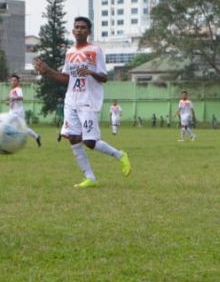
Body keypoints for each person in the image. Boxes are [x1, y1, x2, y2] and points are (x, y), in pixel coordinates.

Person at [34, 16, 131, 188]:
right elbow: (66, 79)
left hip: (88, 101)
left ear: (89, 32)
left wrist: (90, 72)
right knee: (73, 138)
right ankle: (90, 177)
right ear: (72, 31)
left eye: (83, 27)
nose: (79, 30)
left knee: (90, 142)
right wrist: (47, 71)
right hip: (71, 100)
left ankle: (120, 155)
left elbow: (104, 77)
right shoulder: (70, 53)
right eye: (77, 27)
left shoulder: (95, 50)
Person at [8, 74, 41, 146]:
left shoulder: (18, 89)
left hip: (17, 112)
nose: (13, 82)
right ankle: (36, 136)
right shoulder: (12, 90)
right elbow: (12, 102)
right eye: (12, 80)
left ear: (18, 82)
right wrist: (9, 102)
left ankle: (13, 142)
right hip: (12, 111)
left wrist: (12, 99)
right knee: (23, 128)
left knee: (10, 125)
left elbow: (21, 98)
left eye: (15, 80)